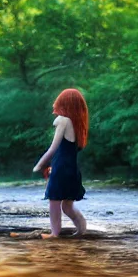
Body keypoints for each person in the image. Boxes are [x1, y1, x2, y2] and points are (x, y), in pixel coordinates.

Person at [32, 87, 88, 237]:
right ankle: (82, 230)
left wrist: (39, 164)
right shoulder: (77, 124)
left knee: (54, 201)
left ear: (64, 103)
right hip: (72, 169)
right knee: (67, 206)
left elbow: (53, 148)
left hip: (61, 167)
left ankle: (54, 234)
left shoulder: (63, 120)